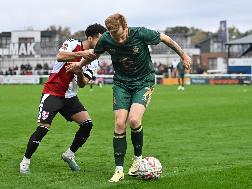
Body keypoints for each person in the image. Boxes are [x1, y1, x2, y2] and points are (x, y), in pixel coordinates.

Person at [66, 13, 191, 182]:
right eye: (113, 36)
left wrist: (183, 55)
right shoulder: (106, 38)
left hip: (143, 82)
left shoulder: (141, 33)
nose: (117, 40)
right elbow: (94, 55)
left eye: (120, 35)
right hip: (122, 84)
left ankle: (138, 161)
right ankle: (118, 170)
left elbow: (165, 38)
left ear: (126, 27)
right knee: (119, 123)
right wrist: (79, 65)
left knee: (133, 120)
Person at [19, 23, 107, 174]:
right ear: (91, 38)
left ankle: (69, 154)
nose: (103, 43)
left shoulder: (95, 60)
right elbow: (60, 56)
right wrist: (82, 54)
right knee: (43, 128)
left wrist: (78, 71)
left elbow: (83, 83)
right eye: (101, 39)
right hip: (53, 92)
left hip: (70, 97)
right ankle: (25, 161)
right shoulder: (73, 43)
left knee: (87, 124)